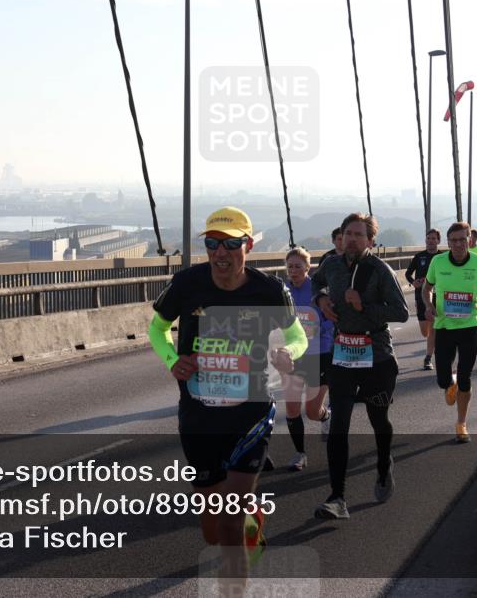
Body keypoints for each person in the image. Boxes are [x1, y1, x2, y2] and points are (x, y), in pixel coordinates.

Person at [148, 207, 308, 583]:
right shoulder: (186, 284)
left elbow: (298, 336)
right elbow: (157, 329)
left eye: (232, 244)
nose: (221, 253)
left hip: (250, 410)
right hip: (199, 413)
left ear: (248, 245)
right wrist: (173, 359)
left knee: (229, 517)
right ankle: (253, 521)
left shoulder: (270, 290)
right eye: (212, 244)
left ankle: (235, 586)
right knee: (211, 529)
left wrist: (290, 354)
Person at [311, 212, 409, 519]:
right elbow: (317, 283)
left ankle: (383, 465)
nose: (351, 238)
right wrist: (321, 300)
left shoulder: (379, 270)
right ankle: (337, 497)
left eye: (358, 234)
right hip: (342, 354)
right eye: (347, 233)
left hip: (376, 357)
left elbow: (401, 312)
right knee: (339, 423)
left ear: (370, 241)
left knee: (378, 419)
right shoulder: (331, 265)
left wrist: (363, 306)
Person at [423, 222, 477, 443]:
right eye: (453, 240)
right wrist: (428, 306)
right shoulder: (438, 262)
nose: (457, 244)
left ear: (470, 240)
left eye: (462, 239)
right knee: (442, 380)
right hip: (444, 327)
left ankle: (461, 423)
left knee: (466, 376)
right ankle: (450, 382)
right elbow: (426, 288)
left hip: (469, 326)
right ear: (448, 242)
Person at [280, 247, 333, 471]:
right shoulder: (282, 292)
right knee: (292, 408)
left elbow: (330, 319)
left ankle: (325, 415)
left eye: (298, 266)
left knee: (312, 412)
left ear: (307, 268)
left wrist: (317, 328)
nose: (293, 270)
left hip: (319, 354)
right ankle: (300, 454)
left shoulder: (318, 291)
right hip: (293, 356)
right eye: (290, 266)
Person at [405, 229, 443, 370]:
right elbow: (408, 273)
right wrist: (413, 282)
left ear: (438, 241)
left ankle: (428, 358)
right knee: (424, 331)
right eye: (428, 238)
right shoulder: (419, 256)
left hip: (437, 296)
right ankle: (430, 342)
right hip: (420, 296)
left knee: (433, 328)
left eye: (433, 238)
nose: (431, 240)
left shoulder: (443, 257)